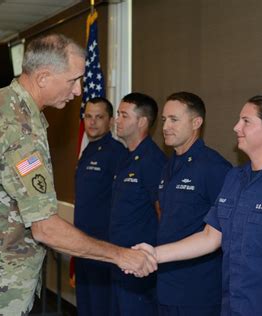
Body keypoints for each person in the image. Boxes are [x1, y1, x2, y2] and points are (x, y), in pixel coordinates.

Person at [0, 34, 157, 315]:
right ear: (43, 77)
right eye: (73, 80)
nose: (79, 90)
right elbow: (45, 227)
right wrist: (122, 255)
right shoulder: (19, 129)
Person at [134, 94, 262, 316]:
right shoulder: (234, 178)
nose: (236, 127)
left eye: (246, 121)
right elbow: (210, 236)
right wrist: (154, 254)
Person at [157, 92, 231, 315]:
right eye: (164, 120)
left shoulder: (214, 167)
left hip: (197, 288)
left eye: (174, 119)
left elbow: (224, 229)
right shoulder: (169, 165)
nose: (166, 126)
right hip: (166, 282)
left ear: (196, 123)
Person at [110, 92, 166, 315]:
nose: (117, 120)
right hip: (120, 260)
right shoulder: (126, 157)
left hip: (139, 265)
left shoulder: (153, 160)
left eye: (124, 115)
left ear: (142, 122)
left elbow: (162, 212)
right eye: (117, 114)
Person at [74, 97, 128, 315]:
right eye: (88, 116)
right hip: (81, 242)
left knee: (101, 306)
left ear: (110, 121)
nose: (92, 122)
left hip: (102, 244)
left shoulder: (117, 153)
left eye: (99, 117)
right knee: (85, 305)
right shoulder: (87, 151)